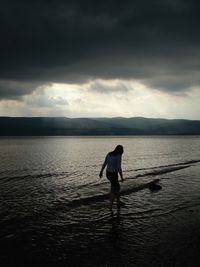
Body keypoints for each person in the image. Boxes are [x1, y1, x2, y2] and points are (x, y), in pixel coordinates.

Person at [99, 145, 124, 210]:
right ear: (120, 150)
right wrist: (121, 177)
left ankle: (118, 202)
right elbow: (119, 167)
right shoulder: (118, 156)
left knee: (117, 188)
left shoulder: (109, 154)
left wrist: (101, 172)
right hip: (113, 175)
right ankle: (110, 206)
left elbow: (105, 163)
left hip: (108, 174)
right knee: (114, 190)